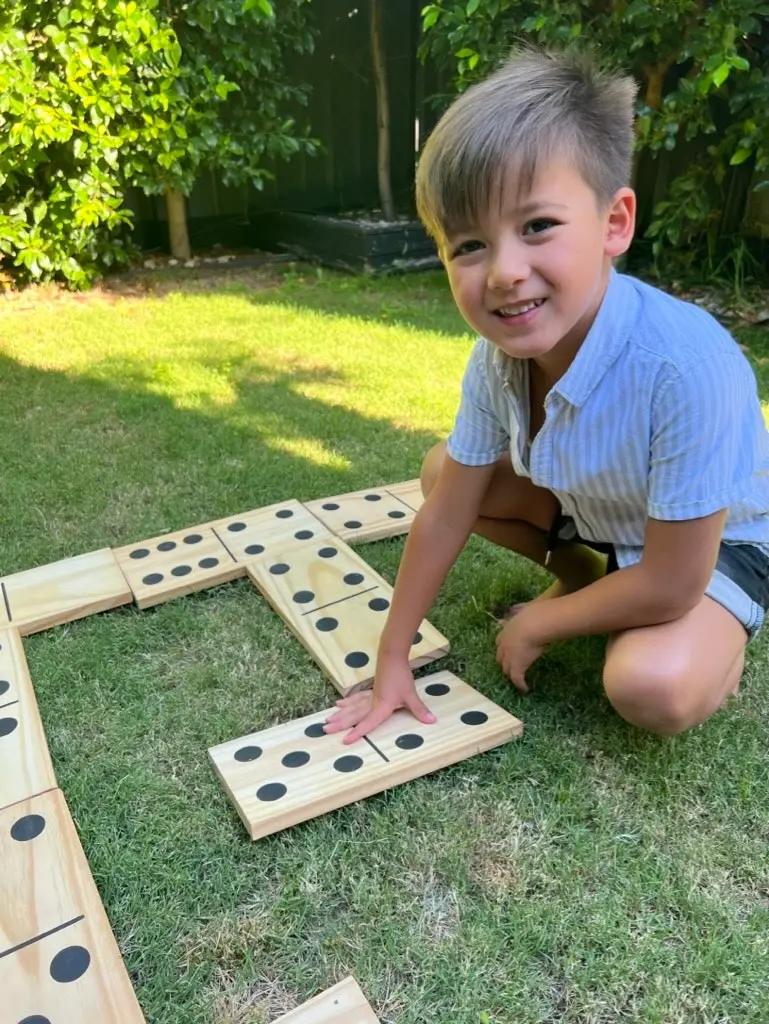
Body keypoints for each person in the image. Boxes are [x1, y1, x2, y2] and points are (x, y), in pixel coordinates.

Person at [324, 46, 769, 742]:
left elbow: (675, 578)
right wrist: (391, 658)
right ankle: (591, 579)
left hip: (712, 549)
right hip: (605, 519)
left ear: (613, 224)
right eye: (467, 245)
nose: (503, 272)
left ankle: (719, 642)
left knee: (651, 687)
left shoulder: (684, 364)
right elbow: (445, 515)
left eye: (536, 227)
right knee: (445, 473)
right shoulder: (494, 358)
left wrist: (541, 620)